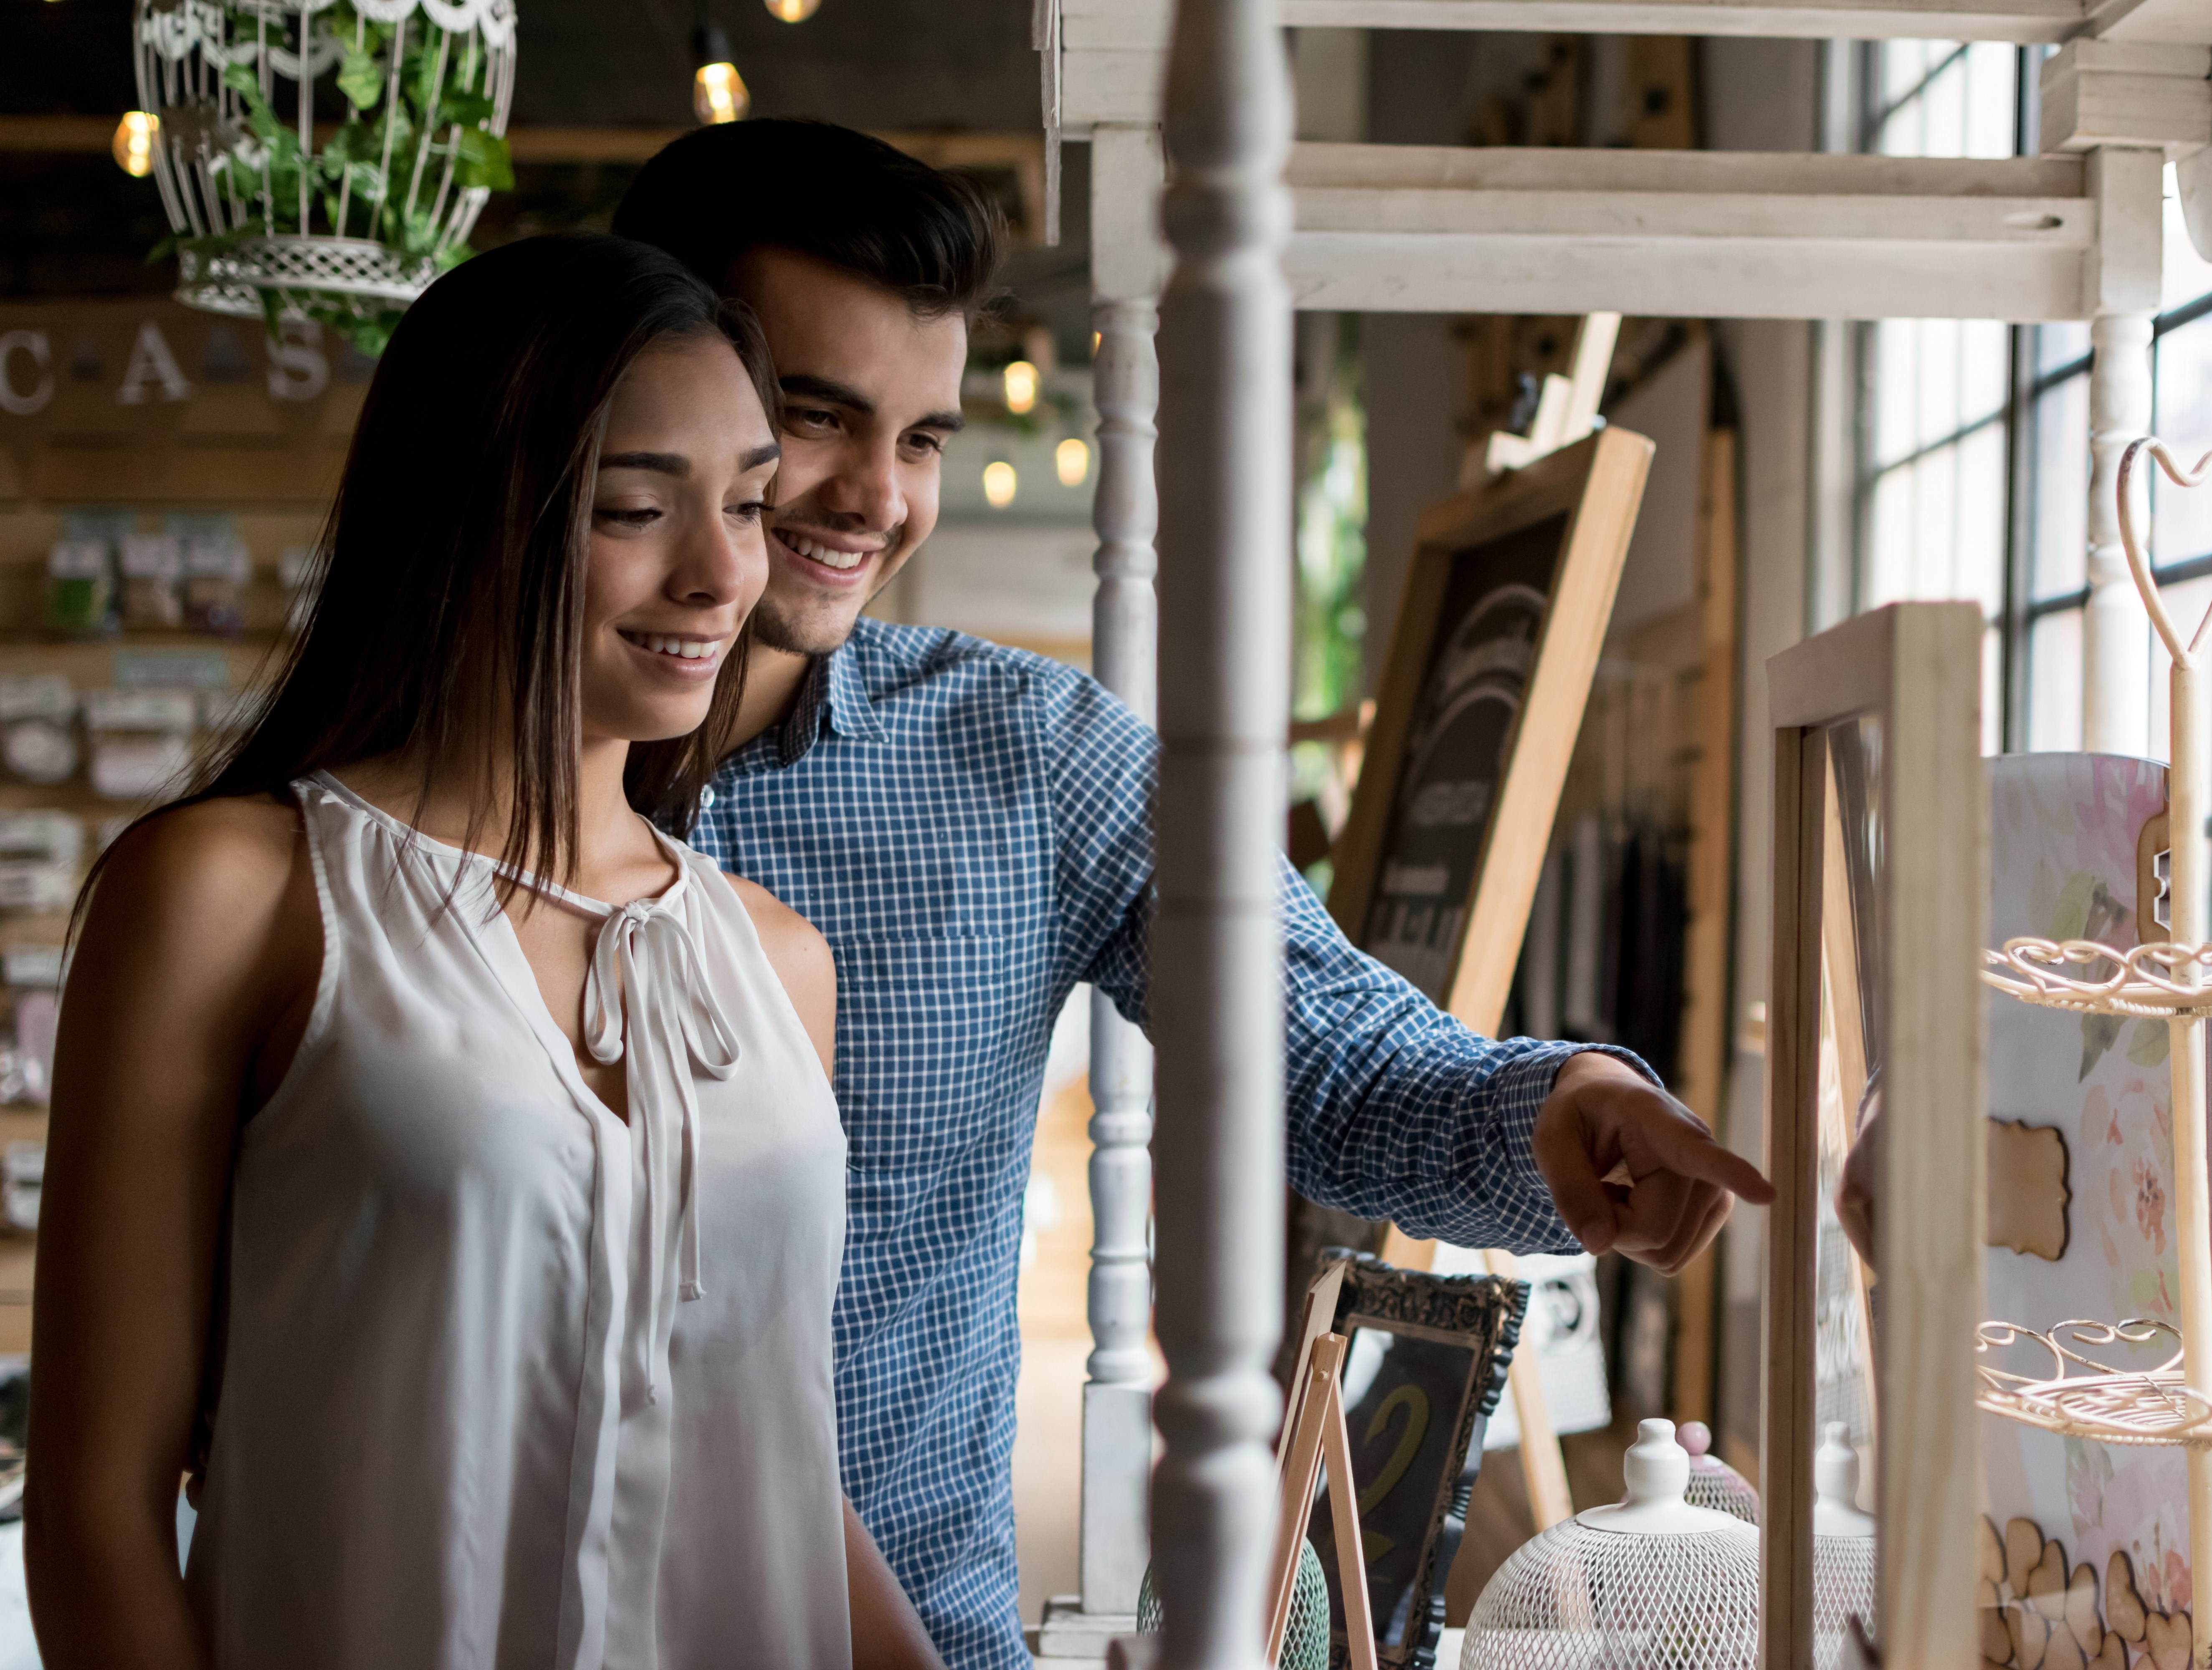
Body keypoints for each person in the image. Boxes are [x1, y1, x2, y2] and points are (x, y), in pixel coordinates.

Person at [612, 123, 1777, 1667]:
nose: (875, 500)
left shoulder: (1032, 758)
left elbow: (1337, 1056)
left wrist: (1563, 1114)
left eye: (923, 441)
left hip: (903, 1634)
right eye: (818, 420)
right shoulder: (412, 807)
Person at [24, 235, 942, 1670]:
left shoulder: (778, 964)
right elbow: (98, 1512)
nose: (722, 575)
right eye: (637, 508)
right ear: (466, 513)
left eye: (751, 506)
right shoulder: (232, 893)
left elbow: (773, 1465)